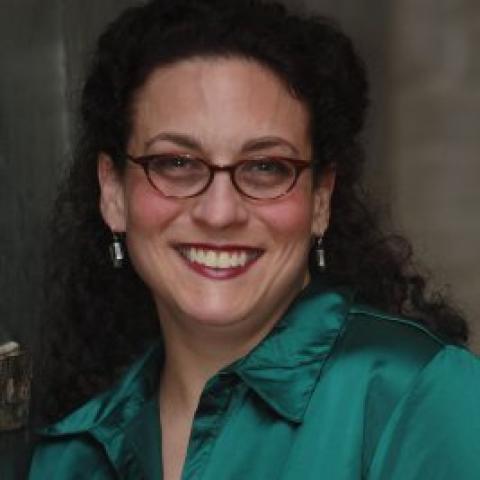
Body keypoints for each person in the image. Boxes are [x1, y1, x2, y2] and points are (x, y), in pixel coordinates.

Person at [28, 0, 480, 478]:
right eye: (177, 163)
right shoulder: (70, 456)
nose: (219, 212)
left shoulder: (419, 396)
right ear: (113, 192)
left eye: (266, 167)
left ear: (320, 201)